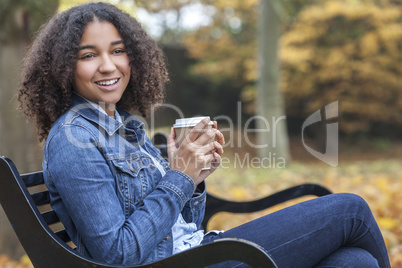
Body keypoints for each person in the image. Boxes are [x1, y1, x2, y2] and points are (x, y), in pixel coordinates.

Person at [18, 3, 390, 268]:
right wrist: (179, 176)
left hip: (198, 252)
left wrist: (194, 180)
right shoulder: (72, 140)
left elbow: (182, 227)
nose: (108, 65)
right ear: (63, 67)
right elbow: (118, 253)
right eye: (89, 55)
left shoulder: (126, 128)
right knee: (351, 210)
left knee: (354, 261)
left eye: (118, 51)